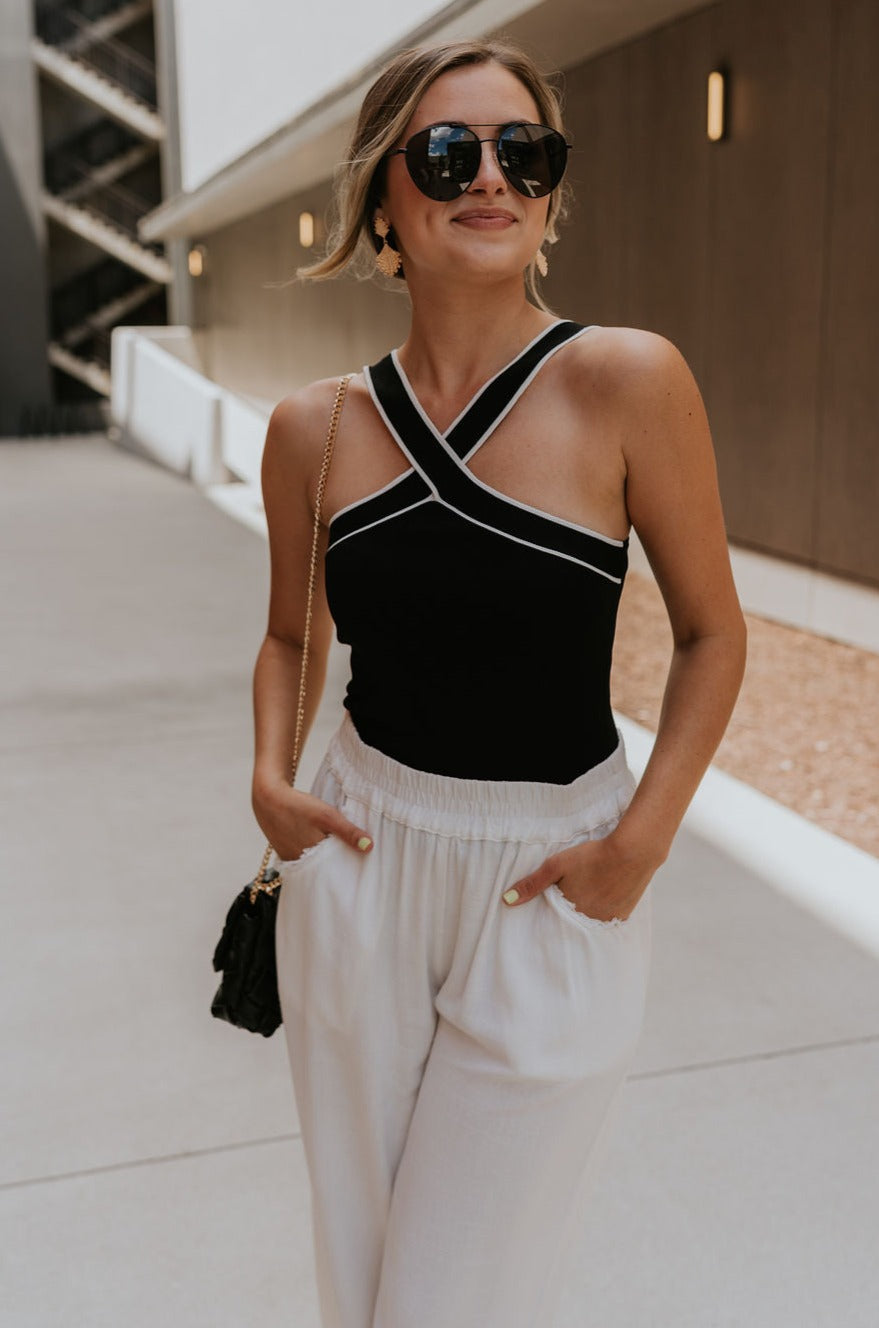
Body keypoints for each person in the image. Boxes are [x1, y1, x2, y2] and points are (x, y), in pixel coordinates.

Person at [251, 37, 747, 1328]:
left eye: (523, 153)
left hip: (553, 879)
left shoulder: (629, 382)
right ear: (382, 203)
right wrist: (268, 774)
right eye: (448, 150)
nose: (490, 177)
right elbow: (292, 638)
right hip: (361, 861)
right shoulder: (317, 428)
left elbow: (712, 634)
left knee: (455, 1303)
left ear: (550, 192)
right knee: (361, 1289)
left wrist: (637, 846)